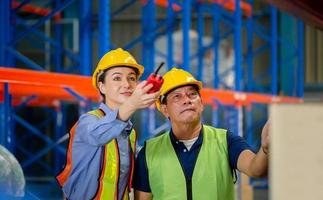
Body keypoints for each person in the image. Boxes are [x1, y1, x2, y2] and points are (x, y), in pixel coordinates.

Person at [133, 67, 269, 200]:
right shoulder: (149, 153)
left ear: (201, 103)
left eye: (192, 94)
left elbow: (255, 169)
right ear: (165, 110)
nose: (187, 100)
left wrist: (265, 149)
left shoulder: (226, 141)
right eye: (177, 97)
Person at [56, 48, 160, 200]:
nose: (127, 84)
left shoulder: (130, 133)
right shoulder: (88, 122)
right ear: (102, 86)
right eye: (117, 78)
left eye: (132, 78)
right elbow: (99, 135)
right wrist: (132, 104)